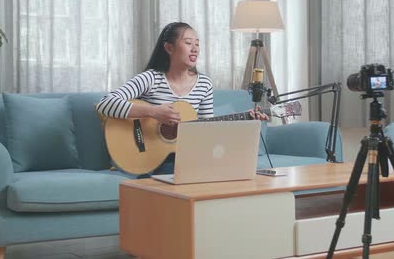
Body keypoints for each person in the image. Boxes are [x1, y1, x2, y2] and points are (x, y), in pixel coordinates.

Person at [96, 22, 268, 174]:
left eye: (197, 44)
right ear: (169, 48)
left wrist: (244, 119)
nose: (195, 48)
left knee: (229, 164)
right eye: (188, 43)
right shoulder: (151, 78)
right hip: (148, 157)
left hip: (186, 156)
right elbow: (105, 104)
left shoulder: (204, 84)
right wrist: (153, 112)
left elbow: (207, 129)